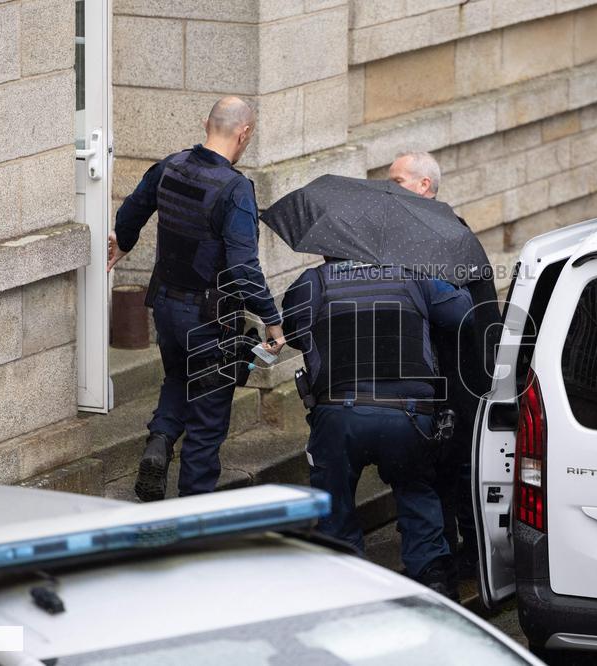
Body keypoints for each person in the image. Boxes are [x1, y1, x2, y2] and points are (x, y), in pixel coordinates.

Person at [108, 96, 285, 501]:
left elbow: (134, 207)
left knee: (177, 377)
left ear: (207, 124)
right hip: (210, 320)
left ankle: (159, 441)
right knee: (207, 418)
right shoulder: (236, 189)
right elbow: (243, 267)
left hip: (167, 308)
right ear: (244, 134)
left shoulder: (171, 165)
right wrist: (271, 321)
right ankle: (193, 514)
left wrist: (124, 241)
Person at [281, 258, 472, 599]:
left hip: (340, 417)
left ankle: (350, 591)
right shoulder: (412, 273)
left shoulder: (314, 282)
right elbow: (462, 313)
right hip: (409, 417)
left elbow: (294, 328)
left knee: (333, 505)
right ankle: (435, 586)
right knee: (416, 494)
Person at [388, 151, 503, 577]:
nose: (389, 187)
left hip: (462, 373)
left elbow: (464, 314)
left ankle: (472, 556)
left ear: (424, 186)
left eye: (397, 180)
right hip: (440, 371)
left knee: (459, 464)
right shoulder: (425, 233)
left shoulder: (445, 235)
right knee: (440, 464)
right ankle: (451, 553)